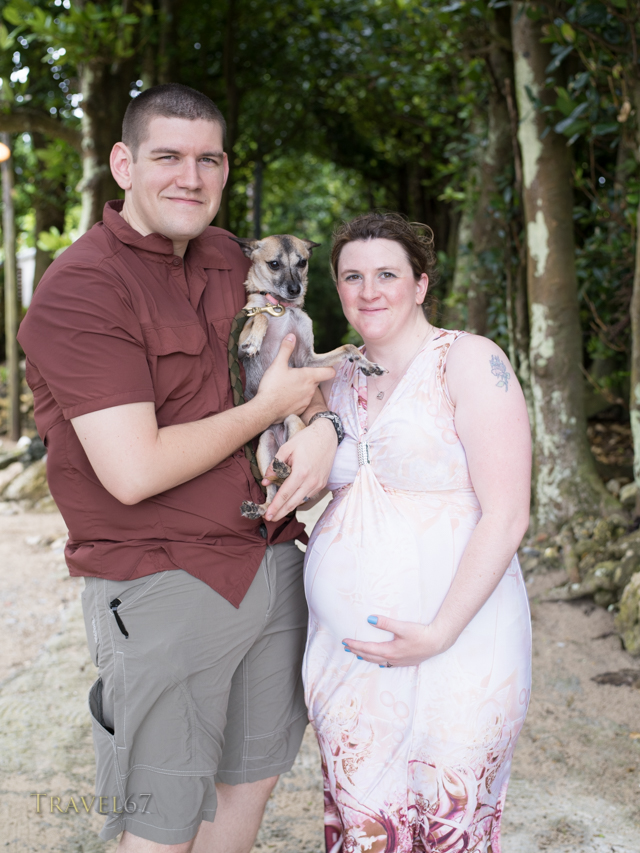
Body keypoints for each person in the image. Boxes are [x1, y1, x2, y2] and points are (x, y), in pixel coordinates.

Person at [17, 83, 341, 853]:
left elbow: (296, 372)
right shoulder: (81, 289)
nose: (188, 178)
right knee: (159, 823)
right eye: (166, 156)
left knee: (249, 784)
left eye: (207, 160)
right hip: (165, 583)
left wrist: (321, 426)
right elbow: (132, 471)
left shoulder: (241, 260)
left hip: (273, 564)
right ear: (123, 163)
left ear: (225, 170)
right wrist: (278, 408)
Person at [301, 212, 532, 852]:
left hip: (463, 638)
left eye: (386, 274)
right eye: (353, 276)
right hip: (350, 659)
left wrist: (438, 632)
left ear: (421, 284)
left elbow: (509, 513)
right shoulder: (331, 377)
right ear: (338, 288)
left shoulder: (469, 361)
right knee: (367, 827)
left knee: (449, 821)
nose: (369, 291)